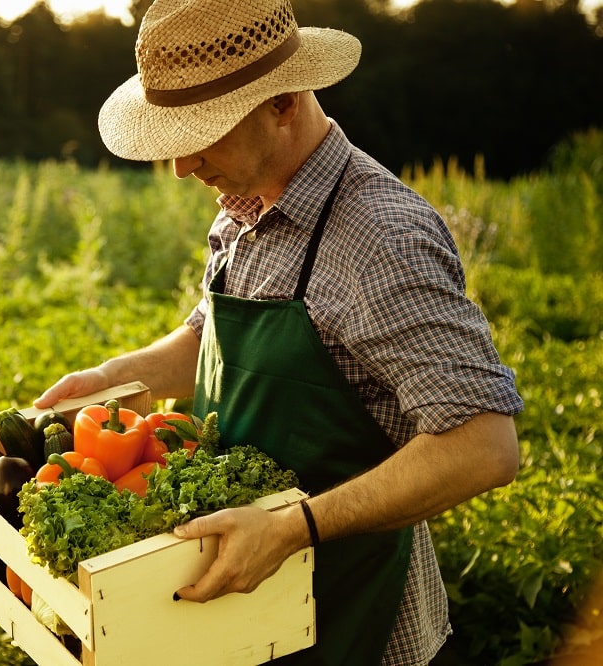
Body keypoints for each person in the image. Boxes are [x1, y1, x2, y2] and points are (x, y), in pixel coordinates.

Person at [33, 0, 524, 664]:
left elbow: (484, 445)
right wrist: (112, 377)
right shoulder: (243, 203)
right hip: (238, 611)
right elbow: (209, 337)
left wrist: (293, 529)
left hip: (347, 614)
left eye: (202, 131)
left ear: (285, 102)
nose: (180, 166)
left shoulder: (379, 238)